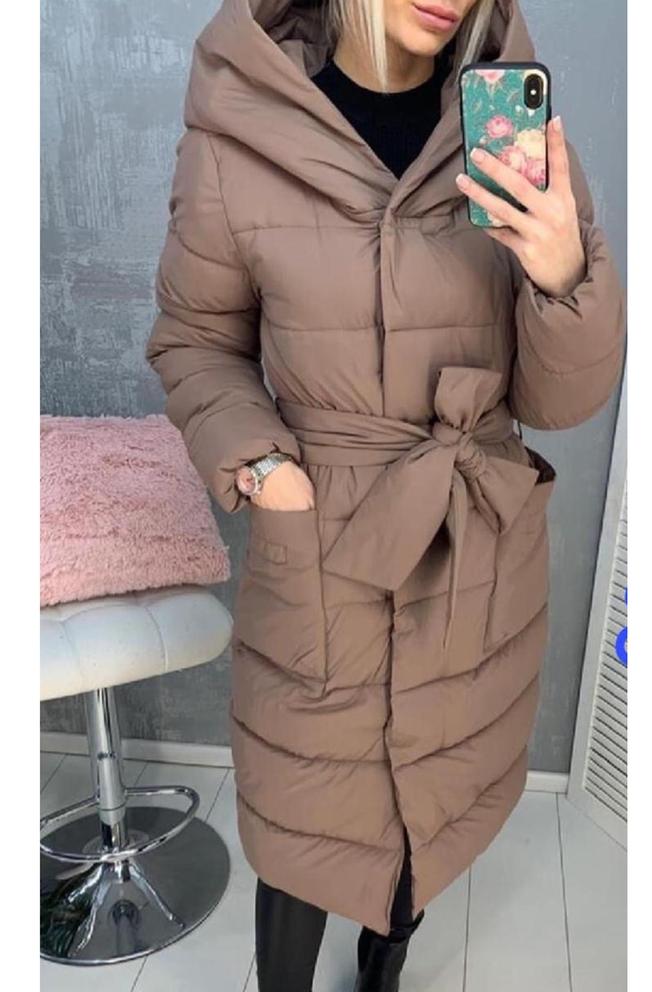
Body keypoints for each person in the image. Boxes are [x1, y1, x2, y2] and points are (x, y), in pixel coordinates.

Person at [145, 1, 626, 989]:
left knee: (437, 794)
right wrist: (263, 468)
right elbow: (196, 341)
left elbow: (559, 402)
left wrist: (561, 275)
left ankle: (384, 965)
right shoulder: (238, 134)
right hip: (323, 538)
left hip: (472, 541)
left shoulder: (512, 136)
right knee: (304, 810)